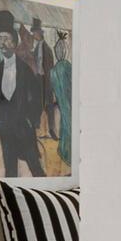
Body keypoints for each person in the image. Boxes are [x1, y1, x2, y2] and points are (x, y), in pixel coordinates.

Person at [0, 15, 45, 177]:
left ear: (14, 42)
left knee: (36, 168)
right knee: (10, 171)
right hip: (5, 129)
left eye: (6, 39)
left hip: (24, 128)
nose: (2, 42)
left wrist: (32, 120)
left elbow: (37, 96)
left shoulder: (26, 70)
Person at [49, 33, 73, 172]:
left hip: (61, 102)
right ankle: (68, 154)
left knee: (65, 124)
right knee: (69, 125)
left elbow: (53, 90)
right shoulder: (67, 66)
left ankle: (64, 151)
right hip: (69, 101)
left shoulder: (53, 70)